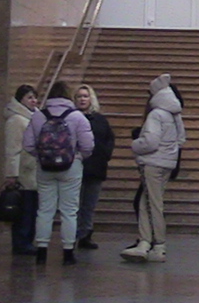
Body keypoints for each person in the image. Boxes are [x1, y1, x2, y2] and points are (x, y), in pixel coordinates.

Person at [21, 82, 95, 265]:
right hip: (71, 167)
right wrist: (77, 157)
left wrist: (42, 156)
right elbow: (88, 146)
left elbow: (28, 144)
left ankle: (42, 251)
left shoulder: (38, 116)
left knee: (45, 210)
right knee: (69, 210)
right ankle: (68, 252)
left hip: (45, 167)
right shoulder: (77, 117)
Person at [121, 73, 183, 263]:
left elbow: (150, 142)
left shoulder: (156, 115)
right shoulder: (174, 114)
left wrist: (135, 145)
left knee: (152, 204)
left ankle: (156, 244)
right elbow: (181, 139)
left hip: (153, 163)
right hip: (167, 163)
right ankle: (146, 243)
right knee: (148, 203)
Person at [73, 84, 115, 250]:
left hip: (96, 168)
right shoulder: (71, 118)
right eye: (79, 96)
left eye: (85, 96)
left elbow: (109, 139)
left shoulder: (100, 120)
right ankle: (72, 234)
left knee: (89, 204)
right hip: (75, 167)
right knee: (74, 205)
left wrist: (105, 155)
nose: (82, 99)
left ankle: (85, 234)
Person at [5, 84, 42, 254]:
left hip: (33, 170)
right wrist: (12, 174)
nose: (34, 101)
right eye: (29, 97)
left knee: (31, 208)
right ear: (21, 100)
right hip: (23, 171)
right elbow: (12, 149)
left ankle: (27, 240)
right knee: (24, 209)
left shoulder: (34, 117)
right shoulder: (17, 120)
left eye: (35, 97)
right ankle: (21, 241)